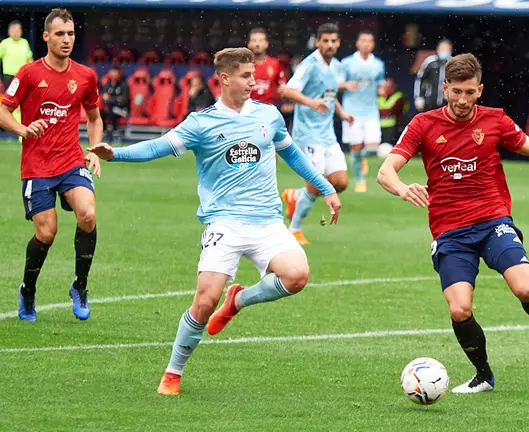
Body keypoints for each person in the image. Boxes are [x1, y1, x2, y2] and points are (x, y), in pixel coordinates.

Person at [87, 47, 342, 396]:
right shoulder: (201, 123)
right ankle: (173, 373)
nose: (254, 81)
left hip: (267, 221)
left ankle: (238, 301)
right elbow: (158, 147)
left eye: (253, 75)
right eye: (246, 76)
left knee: (297, 275)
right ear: (224, 78)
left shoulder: (269, 115)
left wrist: (326, 187)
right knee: (205, 302)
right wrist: (115, 153)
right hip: (225, 223)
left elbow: (292, 153)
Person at [377, 53, 529, 394]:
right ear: (445, 88)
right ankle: (483, 375)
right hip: (450, 232)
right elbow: (385, 171)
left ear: (480, 90)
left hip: (493, 221)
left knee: (524, 287)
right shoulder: (423, 124)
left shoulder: (495, 120)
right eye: (455, 92)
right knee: (460, 309)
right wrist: (403, 189)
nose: (462, 100)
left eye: (469, 92)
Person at [0, 8, 103, 322]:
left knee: (88, 214)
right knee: (47, 233)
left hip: (71, 160)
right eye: (60, 34)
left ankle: (80, 286)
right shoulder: (29, 74)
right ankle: (28, 290)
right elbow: (4, 111)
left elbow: (95, 118)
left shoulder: (85, 75)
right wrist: (22, 129)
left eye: (70, 34)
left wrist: (95, 150)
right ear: (46, 36)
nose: (66, 39)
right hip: (37, 165)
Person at [281, 23, 354, 245]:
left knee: (340, 182)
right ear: (318, 42)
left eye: (333, 41)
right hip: (308, 134)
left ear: (338, 42)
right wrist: (311, 103)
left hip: (327, 134)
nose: (330, 45)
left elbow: (329, 95)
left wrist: (342, 113)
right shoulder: (310, 65)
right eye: (326, 41)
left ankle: (295, 196)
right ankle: (294, 229)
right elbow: (288, 90)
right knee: (315, 183)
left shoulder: (338, 66)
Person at [340, 30, 385, 192]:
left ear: (373, 44)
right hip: (352, 111)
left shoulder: (378, 64)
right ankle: (360, 179)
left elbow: (380, 84)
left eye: (370, 41)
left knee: (373, 148)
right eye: (363, 40)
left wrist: (381, 89)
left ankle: (362, 160)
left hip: (371, 111)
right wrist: (345, 85)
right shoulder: (346, 63)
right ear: (357, 43)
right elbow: (336, 83)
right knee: (356, 147)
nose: (366, 44)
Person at [247, 27, 286, 104]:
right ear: (249, 44)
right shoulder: (243, 65)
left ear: (266, 44)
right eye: (254, 41)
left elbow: (281, 83)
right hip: (248, 108)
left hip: (269, 107)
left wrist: (283, 87)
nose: (257, 44)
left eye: (261, 41)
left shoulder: (275, 63)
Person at [414, 39, 452, 112]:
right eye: (442, 49)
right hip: (430, 102)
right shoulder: (430, 61)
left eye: (447, 49)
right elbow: (419, 79)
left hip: (446, 103)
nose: (444, 51)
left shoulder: (452, 63)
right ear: (438, 49)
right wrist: (418, 97)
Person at [0, 20, 33, 91]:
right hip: (8, 76)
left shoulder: (24, 42)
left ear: (21, 32)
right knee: (8, 99)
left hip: (23, 76)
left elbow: (29, 59)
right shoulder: (4, 43)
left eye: (17, 31)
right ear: (9, 32)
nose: (15, 33)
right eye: (13, 31)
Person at [100, 67, 129, 142]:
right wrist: (115, 99)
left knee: (111, 110)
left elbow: (123, 101)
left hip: (122, 111)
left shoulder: (124, 85)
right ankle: (104, 131)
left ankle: (113, 131)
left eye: (115, 72)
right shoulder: (107, 85)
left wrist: (110, 99)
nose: (113, 75)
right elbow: (104, 99)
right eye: (112, 72)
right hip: (110, 109)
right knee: (100, 112)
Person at [378, 78, 409, 146]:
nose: (386, 89)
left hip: (394, 126)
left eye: (388, 87)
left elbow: (395, 111)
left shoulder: (399, 96)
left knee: (389, 145)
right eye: (385, 87)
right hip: (380, 126)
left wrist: (383, 112)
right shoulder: (379, 97)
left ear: (394, 87)